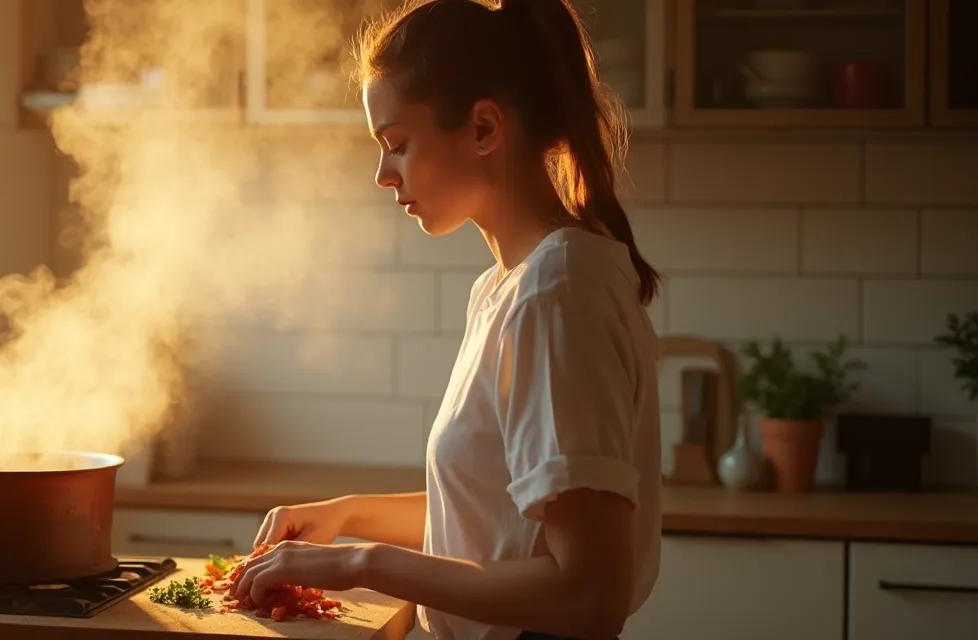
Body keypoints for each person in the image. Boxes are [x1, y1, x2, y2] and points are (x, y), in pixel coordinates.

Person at [228, 1, 662, 638]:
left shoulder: (556, 293)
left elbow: (588, 594)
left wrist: (360, 562)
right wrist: (348, 516)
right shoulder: (509, 286)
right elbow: (499, 520)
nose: (382, 175)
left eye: (397, 145)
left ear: (485, 128)